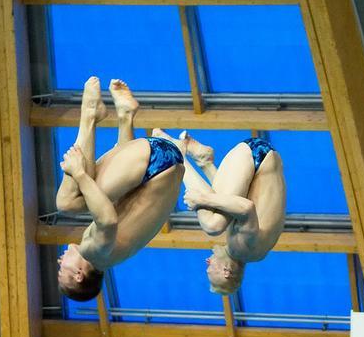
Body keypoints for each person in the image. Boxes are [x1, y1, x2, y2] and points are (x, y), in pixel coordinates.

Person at [55, 77, 184, 302]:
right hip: (155, 164)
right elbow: (107, 220)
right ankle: (90, 115)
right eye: (61, 270)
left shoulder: (113, 255)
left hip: (164, 162)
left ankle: (125, 116)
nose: (59, 261)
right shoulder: (94, 253)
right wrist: (79, 174)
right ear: (78, 275)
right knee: (68, 202)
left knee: (93, 193)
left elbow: (122, 194)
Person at [150, 129, 286, 294]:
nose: (207, 261)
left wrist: (208, 170)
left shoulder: (252, 253)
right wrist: (201, 200)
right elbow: (246, 208)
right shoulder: (244, 249)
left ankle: (204, 160)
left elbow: (231, 201)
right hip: (255, 156)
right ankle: (177, 155)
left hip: (261, 159)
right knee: (212, 225)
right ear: (226, 272)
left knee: (219, 217)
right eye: (210, 269)